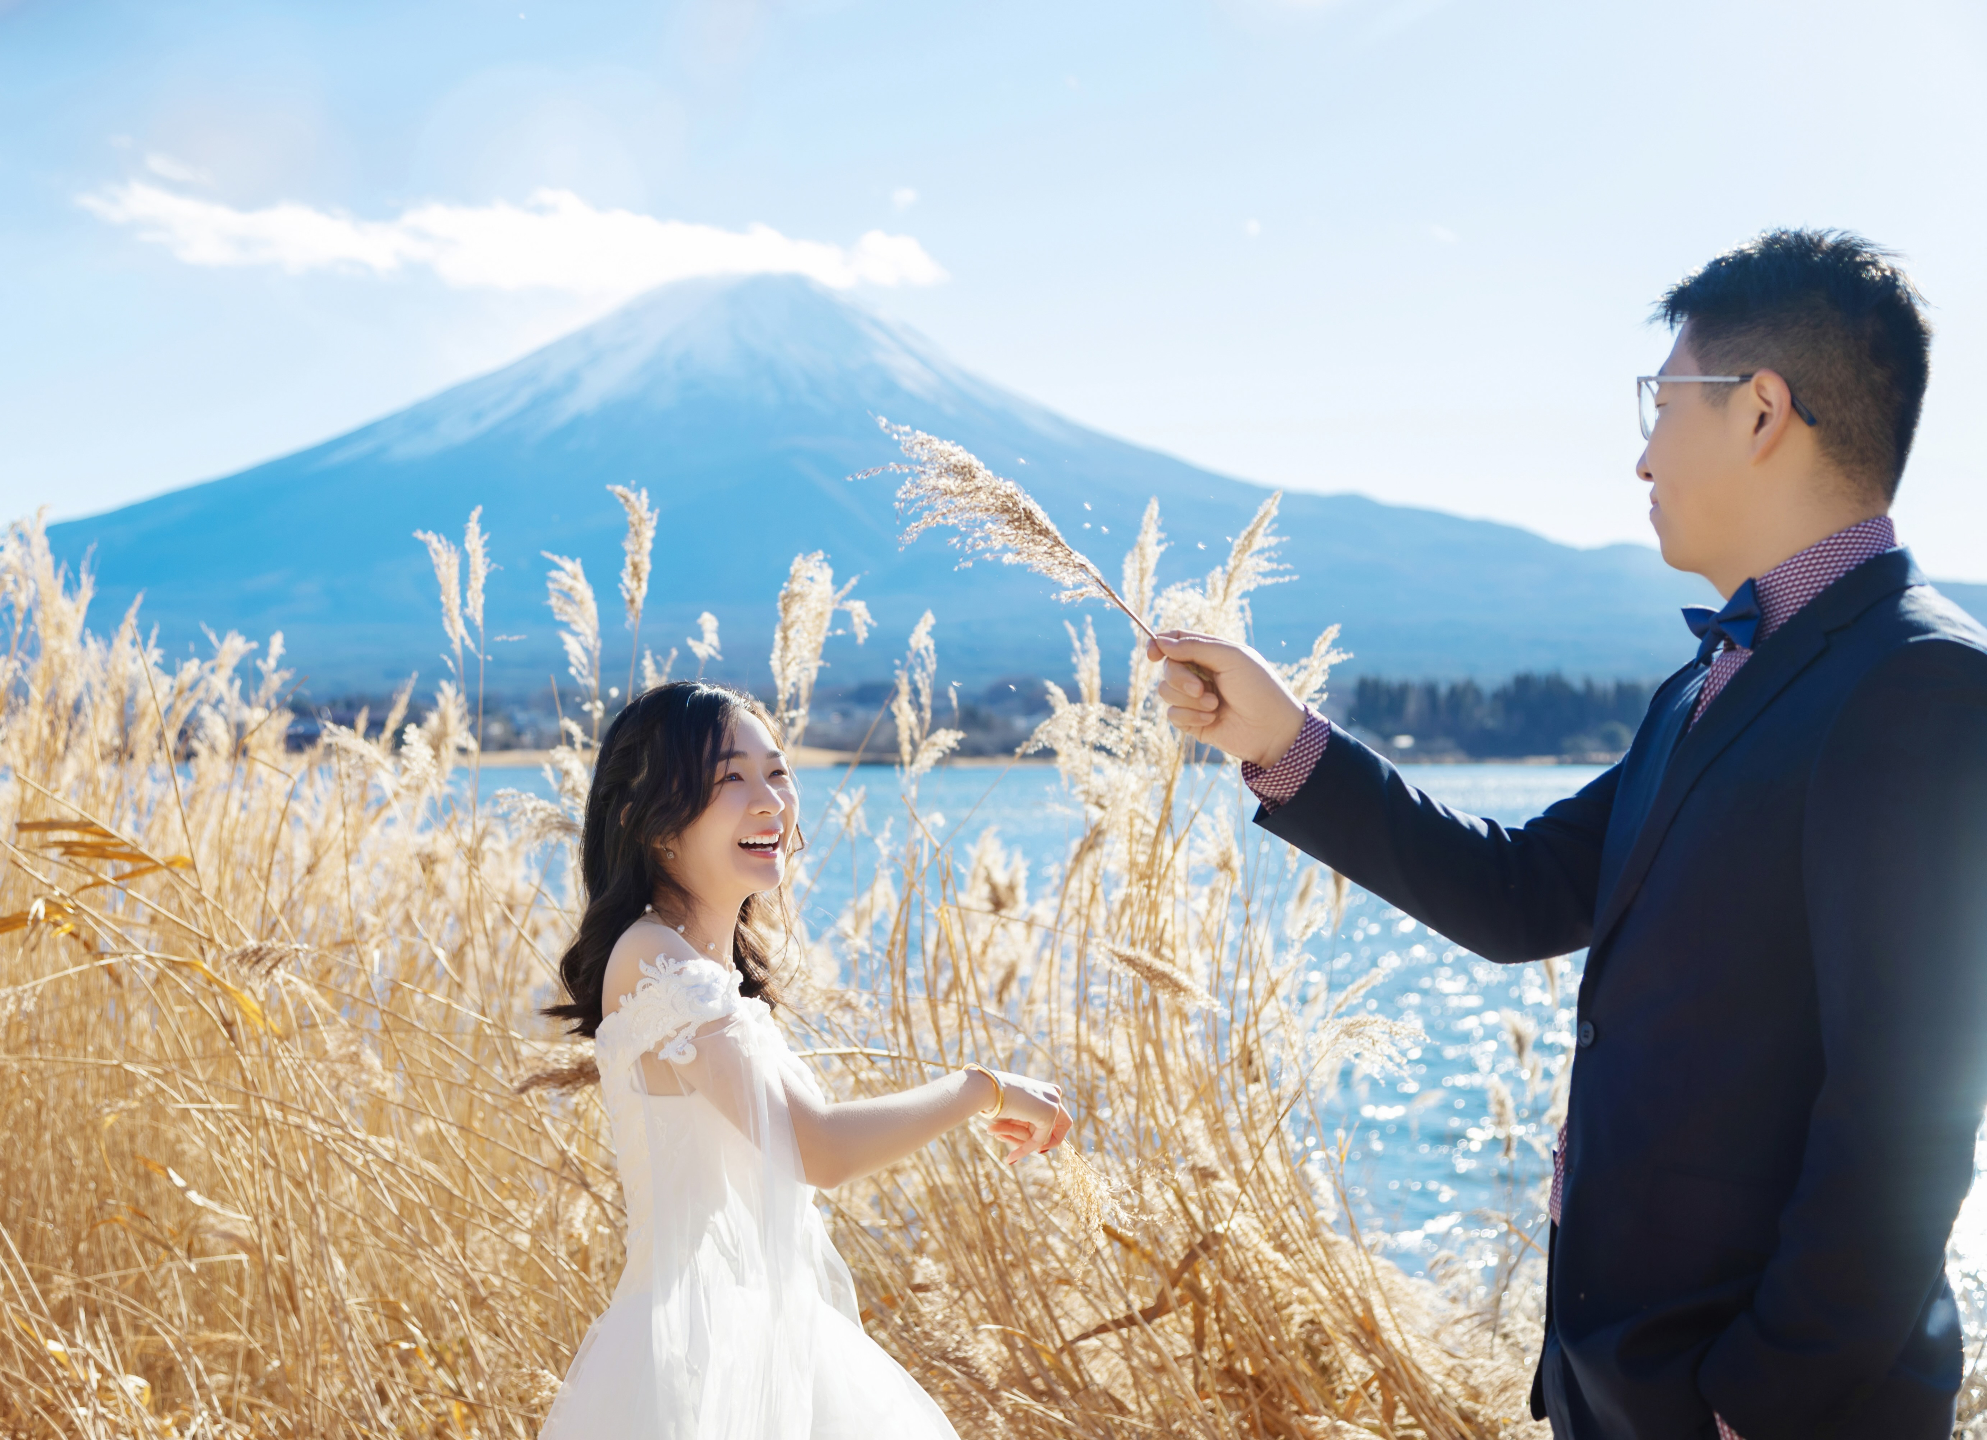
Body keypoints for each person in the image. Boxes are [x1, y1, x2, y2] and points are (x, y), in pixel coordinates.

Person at [1152, 229, 1987, 1439]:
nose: (1643, 453)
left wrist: (1761, 1403)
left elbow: (1911, 1100)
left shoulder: (1919, 686)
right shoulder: (1712, 681)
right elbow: (1524, 891)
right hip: (1630, 1388)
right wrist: (1281, 740)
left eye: (1663, 401)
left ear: (1762, 412)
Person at [537, 679, 1071, 1439]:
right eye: (729, 778)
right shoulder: (652, 956)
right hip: (698, 1369)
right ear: (651, 821)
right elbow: (815, 1147)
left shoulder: (708, 971)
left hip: (768, 1345)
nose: (769, 801)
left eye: (777, 772)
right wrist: (979, 1090)